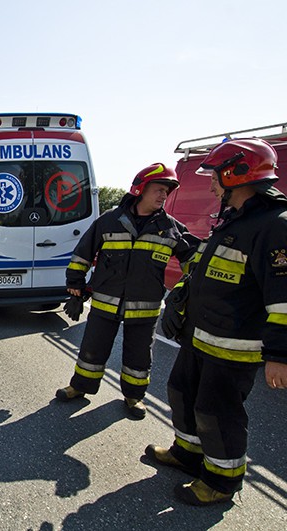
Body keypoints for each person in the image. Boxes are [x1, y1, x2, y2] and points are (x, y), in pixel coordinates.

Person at [147, 138, 287, 505]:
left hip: (233, 346)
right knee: (182, 393)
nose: (210, 185)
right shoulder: (234, 221)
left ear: (236, 174)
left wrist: (280, 355)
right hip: (200, 336)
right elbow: (204, 269)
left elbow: (284, 299)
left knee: (217, 412)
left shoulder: (275, 226)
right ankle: (188, 454)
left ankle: (222, 482)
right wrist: (180, 302)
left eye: (214, 177)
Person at [57, 163, 200, 419]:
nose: (163, 196)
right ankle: (80, 386)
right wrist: (75, 286)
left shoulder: (171, 228)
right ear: (140, 189)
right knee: (92, 349)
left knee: (139, 357)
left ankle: (134, 396)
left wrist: (186, 293)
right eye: (158, 189)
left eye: (166, 192)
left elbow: (195, 263)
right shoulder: (109, 220)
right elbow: (83, 253)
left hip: (145, 308)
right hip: (105, 302)